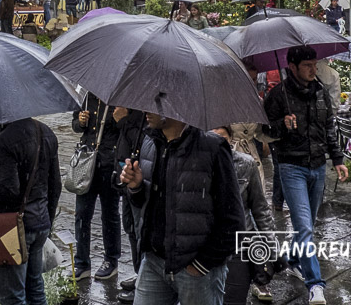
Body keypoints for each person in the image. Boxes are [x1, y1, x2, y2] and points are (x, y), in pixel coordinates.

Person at [117, 112, 244, 305]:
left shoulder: (213, 147)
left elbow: (233, 219)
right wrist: (136, 187)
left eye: (155, 104)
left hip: (197, 271)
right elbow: (146, 204)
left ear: (172, 106)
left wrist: (201, 265)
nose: (146, 111)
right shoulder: (150, 143)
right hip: (153, 262)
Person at [262, 46, 348, 305]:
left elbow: (328, 126)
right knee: (305, 226)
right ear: (293, 67)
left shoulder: (320, 91)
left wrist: (338, 159)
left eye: (314, 64)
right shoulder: (278, 95)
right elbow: (264, 131)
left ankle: (290, 259)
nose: (313, 69)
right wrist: (281, 125)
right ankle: (315, 284)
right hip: (291, 166)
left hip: (318, 166)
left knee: (306, 224)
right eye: (308, 65)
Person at [0, 117, 61, 305]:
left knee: (12, 296)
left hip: (12, 229)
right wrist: (46, 221)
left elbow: (7, 191)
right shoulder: (45, 132)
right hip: (39, 223)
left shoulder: (5, 141)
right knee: (35, 288)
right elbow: (55, 185)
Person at [211, 126, 275, 304]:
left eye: (222, 137)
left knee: (234, 297)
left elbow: (260, 208)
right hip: (208, 244)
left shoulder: (245, 164)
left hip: (239, 241)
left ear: (230, 138)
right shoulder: (198, 164)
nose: (218, 142)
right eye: (212, 136)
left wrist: (271, 246)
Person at [72, 94, 123, 282]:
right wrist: (80, 122)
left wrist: (121, 120)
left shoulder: (121, 97)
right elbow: (76, 126)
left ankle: (111, 260)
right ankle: (82, 263)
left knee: (110, 214)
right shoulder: (86, 97)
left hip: (110, 164)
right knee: (81, 214)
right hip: (87, 164)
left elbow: (130, 130)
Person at [111, 107, 147, 303]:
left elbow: (144, 142)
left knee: (140, 229)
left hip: (139, 179)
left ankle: (143, 280)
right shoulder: (130, 105)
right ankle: (138, 272)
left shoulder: (147, 113)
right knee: (130, 228)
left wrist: (124, 121)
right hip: (125, 178)